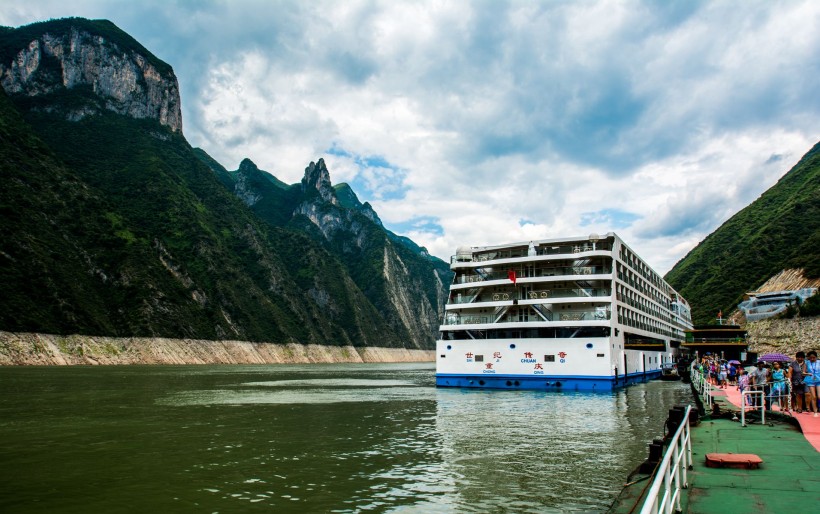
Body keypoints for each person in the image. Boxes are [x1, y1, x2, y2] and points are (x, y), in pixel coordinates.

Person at [805, 351, 820, 417]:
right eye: (811, 358)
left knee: (819, 396)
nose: (812, 359)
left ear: (816, 357)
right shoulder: (807, 363)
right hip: (810, 379)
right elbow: (803, 372)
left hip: (819, 378)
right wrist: (808, 373)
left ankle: (818, 407)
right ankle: (815, 411)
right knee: (813, 396)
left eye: (814, 357)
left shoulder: (819, 362)